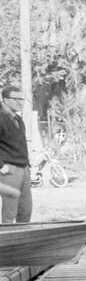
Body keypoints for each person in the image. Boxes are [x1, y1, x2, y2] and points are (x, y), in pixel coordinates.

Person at [0, 85, 32, 224]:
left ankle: (23, 243)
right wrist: (1, 166)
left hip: (24, 168)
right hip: (9, 170)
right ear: (5, 100)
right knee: (10, 213)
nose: (20, 102)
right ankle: (6, 244)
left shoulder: (18, 119)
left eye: (22, 99)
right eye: (16, 99)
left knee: (25, 210)